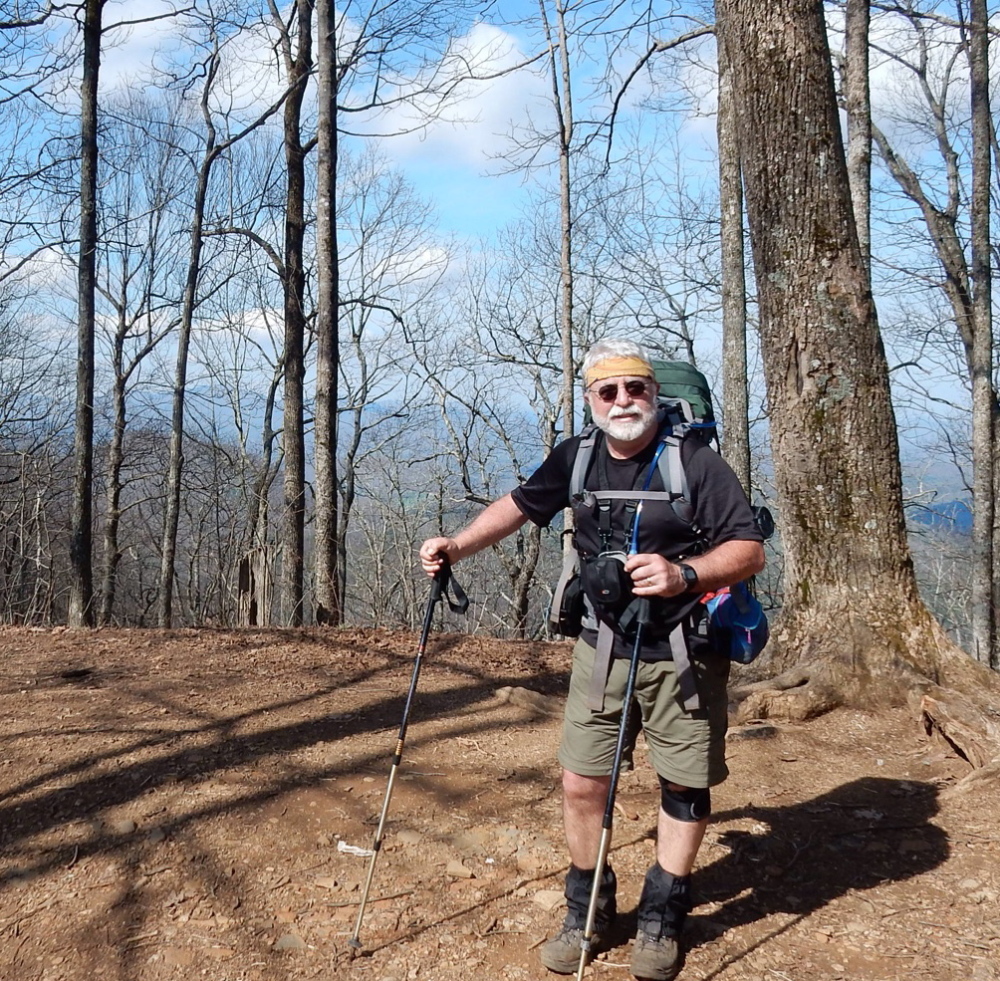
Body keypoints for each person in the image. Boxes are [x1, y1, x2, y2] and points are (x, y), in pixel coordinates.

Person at [419, 339, 765, 980]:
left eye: (635, 389)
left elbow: (747, 549)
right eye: (608, 392)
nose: (623, 401)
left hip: (681, 651)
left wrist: (684, 572)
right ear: (590, 399)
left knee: (684, 785)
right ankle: (587, 909)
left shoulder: (696, 464)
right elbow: (521, 506)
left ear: (654, 394)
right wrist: (456, 546)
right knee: (582, 781)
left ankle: (663, 914)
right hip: (600, 650)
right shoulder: (577, 459)